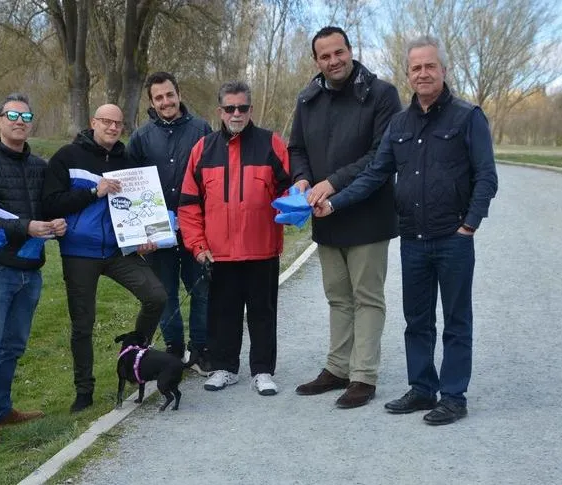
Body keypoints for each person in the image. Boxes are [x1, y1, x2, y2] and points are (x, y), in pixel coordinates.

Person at [314, 35, 498, 425]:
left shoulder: (468, 117)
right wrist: (334, 202)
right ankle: (421, 388)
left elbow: (486, 177)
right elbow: (374, 175)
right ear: (409, 74)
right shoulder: (399, 124)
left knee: (456, 320)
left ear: (444, 70)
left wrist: (470, 224)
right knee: (416, 320)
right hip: (413, 240)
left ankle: (452, 395)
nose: (423, 73)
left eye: (430, 66)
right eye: (416, 68)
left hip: (453, 239)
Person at [289, 26, 401, 409]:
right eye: (325, 56)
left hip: (368, 214)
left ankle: (363, 375)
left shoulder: (382, 94)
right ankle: (337, 368)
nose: (333, 61)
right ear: (316, 61)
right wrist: (303, 179)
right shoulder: (308, 98)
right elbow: (296, 148)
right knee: (337, 296)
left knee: (366, 296)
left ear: (351, 51)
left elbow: (380, 157)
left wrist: (333, 183)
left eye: (339, 52)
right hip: (325, 216)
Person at [42, 104, 167, 413]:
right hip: (78, 253)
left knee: (156, 296)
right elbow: (49, 204)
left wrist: (143, 238)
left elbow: (139, 205)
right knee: (83, 324)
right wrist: (93, 192)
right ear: (92, 122)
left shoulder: (127, 162)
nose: (113, 128)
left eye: (118, 124)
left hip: (116, 251)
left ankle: (135, 358)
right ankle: (84, 390)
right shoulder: (66, 157)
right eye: (106, 122)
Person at [0, 93, 67, 448]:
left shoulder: (39, 166)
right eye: (12, 115)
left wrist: (54, 224)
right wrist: (27, 227)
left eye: (26, 116)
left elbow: (47, 207)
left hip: (30, 270)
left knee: (14, 346)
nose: (19, 121)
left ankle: (1, 408)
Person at [178, 81, 290, 396]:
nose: (236, 114)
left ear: (250, 109)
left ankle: (263, 371)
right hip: (218, 253)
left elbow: (289, 190)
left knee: (262, 313)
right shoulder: (203, 149)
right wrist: (197, 246)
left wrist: (292, 210)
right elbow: (189, 205)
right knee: (222, 313)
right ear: (220, 111)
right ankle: (224, 367)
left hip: (262, 250)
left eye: (242, 107)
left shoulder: (272, 144)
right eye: (230, 108)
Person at [127, 71, 213, 374]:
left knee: (201, 290)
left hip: (195, 226)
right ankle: (174, 349)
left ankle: (201, 349)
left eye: (169, 95)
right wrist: (136, 232)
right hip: (156, 231)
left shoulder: (202, 129)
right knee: (165, 293)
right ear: (152, 102)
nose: (166, 102)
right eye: (158, 98)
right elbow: (129, 187)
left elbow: (213, 175)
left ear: (178, 94)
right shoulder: (140, 137)